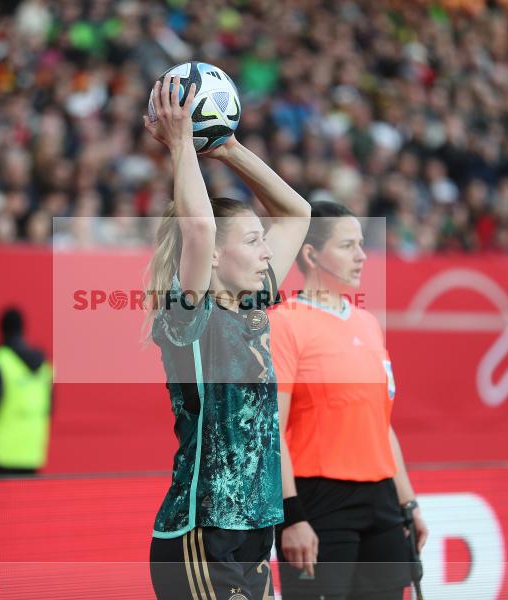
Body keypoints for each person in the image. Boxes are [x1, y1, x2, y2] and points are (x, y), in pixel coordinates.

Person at [144, 74, 311, 600]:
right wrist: (180, 146)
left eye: (264, 241)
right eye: (252, 240)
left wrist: (230, 148)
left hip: (255, 530)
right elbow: (198, 228)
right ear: (216, 254)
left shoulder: (253, 303)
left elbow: (297, 213)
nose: (267, 251)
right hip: (202, 532)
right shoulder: (188, 316)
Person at [269, 201, 429, 599]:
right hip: (318, 500)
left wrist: (408, 503)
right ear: (310, 254)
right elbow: (270, 429)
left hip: (382, 501)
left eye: (361, 244)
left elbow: (381, 423)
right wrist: (292, 518)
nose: (361, 255)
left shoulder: (368, 323)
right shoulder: (283, 323)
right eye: (346, 246)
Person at [0, 306, 53, 477]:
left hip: (2, 453)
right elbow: (50, 408)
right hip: (32, 452)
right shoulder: (44, 366)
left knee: (3, 504)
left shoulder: (0, 361)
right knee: (28, 503)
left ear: (1, 329)